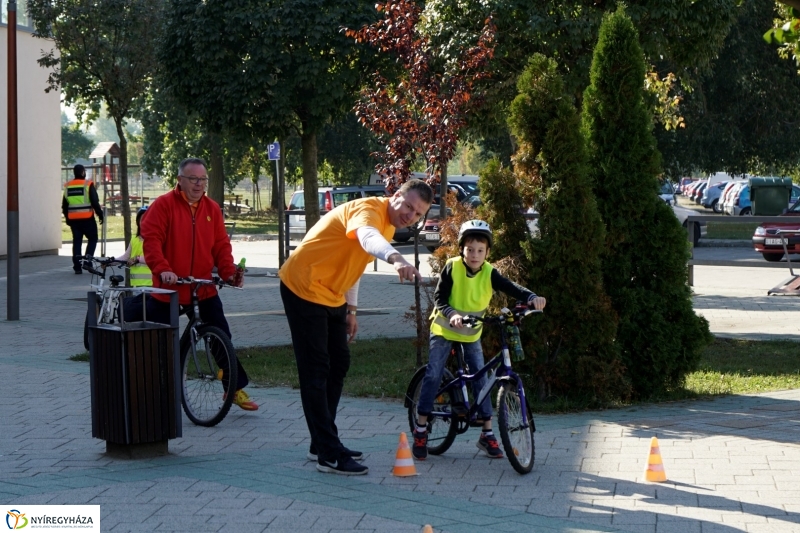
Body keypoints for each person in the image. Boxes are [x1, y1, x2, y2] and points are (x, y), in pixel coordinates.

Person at [279, 178, 433, 475]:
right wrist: (396, 258)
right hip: (303, 287)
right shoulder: (369, 211)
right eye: (408, 206)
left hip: (333, 295)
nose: (410, 216)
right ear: (396, 195)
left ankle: (321, 442)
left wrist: (351, 309)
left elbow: (355, 263)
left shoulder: (389, 222)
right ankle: (328, 453)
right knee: (317, 369)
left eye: (417, 214)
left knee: (339, 363)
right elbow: (367, 238)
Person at [412, 220, 547, 461]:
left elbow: (510, 287)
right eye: (470, 249)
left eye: (480, 250)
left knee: (481, 379)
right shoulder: (452, 267)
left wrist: (531, 297)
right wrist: (452, 315)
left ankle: (487, 434)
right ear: (462, 249)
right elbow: (439, 298)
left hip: (471, 333)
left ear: (487, 253)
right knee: (434, 373)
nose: (475, 255)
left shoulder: (488, 272)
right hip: (444, 329)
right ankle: (421, 428)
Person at [140, 158, 258, 411]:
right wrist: (163, 271)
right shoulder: (162, 206)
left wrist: (228, 272)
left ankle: (233, 387)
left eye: (202, 179)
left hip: (201, 287)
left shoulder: (212, 209)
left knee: (221, 335)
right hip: (169, 288)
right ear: (180, 180)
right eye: (193, 179)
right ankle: (155, 390)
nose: (198, 184)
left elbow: (221, 246)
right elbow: (151, 243)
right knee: (158, 342)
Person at [62, 164, 103, 274]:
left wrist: (67, 218)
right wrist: (100, 214)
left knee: (77, 242)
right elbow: (95, 202)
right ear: (83, 172)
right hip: (87, 218)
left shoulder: (68, 186)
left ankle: (77, 266)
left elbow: (64, 205)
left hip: (74, 220)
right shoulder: (88, 184)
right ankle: (87, 262)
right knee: (93, 239)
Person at [117, 205, 152, 322]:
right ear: (138, 222)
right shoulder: (135, 240)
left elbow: (155, 258)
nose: (145, 222)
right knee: (139, 317)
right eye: (142, 219)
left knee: (148, 316)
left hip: (152, 286)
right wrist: (111, 261)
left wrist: (138, 259)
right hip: (137, 287)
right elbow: (125, 257)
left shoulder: (155, 239)